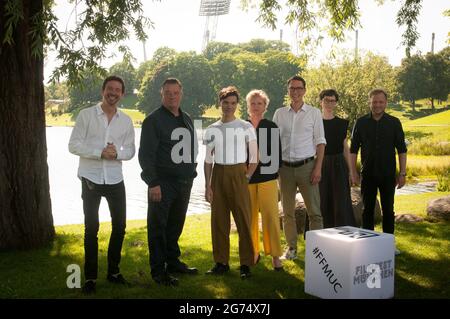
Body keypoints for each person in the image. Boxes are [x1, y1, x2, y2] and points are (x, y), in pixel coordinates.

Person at [68, 75, 135, 294]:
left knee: (120, 227)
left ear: (122, 94)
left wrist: (117, 153)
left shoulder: (126, 120)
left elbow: (131, 150)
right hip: (91, 179)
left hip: (116, 179)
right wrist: (99, 153)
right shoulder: (86, 115)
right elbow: (73, 145)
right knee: (92, 229)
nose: (113, 93)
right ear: (102, 90)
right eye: (109, 89)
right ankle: (90, 278)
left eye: (117, 90)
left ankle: (113, 272)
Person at [139, 78, 198, 286]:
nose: (172, 96)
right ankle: (158, 271)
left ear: (181, 93)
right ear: (161, 94)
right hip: (162, 183)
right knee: (158, 228)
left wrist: (193, 171)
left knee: (175, 225)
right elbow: (146, 156)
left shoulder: (187, 118)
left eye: (175, 92)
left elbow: (191, 148)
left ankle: (172, 262)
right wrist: (152, 182)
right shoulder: (153, 120)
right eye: (168, 92)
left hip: (184, 182)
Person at [204, 86, 258, 279]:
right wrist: (207, 185)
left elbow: (254, 157)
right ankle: (221, 262)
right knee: (219, 221)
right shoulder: (212, 129)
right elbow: (208, 160)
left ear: (237, 104)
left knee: (243, 220)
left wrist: (246, 177)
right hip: (218, 173)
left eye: (233, 103)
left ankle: (245, 264)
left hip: (238, 174)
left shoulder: (245, 126)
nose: (229, 106)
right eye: (226, 103)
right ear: (220, 103)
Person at [273, 75, 326, 260]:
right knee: (287, 212)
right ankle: (292, 249)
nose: (295, 92)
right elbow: (273, 143)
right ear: (288, 91)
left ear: (304, 90)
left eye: (298, 88)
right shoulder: (279, 114)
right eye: (292, 88)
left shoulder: (314, 113)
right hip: (285, 170)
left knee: (315, 212)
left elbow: (320, 143)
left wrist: (318, 169)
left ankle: (316, 251)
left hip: (307, 167)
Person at [350, 88, 407, 255]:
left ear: (386, 103)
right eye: (375, 102)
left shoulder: (394, 122)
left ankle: (388, 244)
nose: (377, 105)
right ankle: (369, 244)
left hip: (389, 174)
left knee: (388, 210)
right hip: (367, 174)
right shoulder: (360, 123)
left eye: (381, 102)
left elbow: (402, 150)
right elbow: (353, 150)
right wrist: (353, 172)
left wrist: (402, 173)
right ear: (370, 102)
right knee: (367, 210)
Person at [245, 89, 283, 271]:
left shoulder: (271, 126)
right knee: (249, 217)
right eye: (253, 103)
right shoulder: (241, 126)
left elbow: (277, 154)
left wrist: (276, 176)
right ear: (248, 106)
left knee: (270, 216)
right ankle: (253, 252)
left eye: (260, 103)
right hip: (247, 178)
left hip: (268, 178)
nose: (256, 106)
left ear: (265, 106)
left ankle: (276, 255)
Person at [319, 89, 356, 228]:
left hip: (339, 163)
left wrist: (351, 171)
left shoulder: (342, 123)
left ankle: (344, 231)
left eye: (332, 100)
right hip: (320, 163)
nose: (329, 103)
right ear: (321, 101)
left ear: (336, 103)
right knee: (322, 199)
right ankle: (321, 233)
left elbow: (345, 147)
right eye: (326, 100)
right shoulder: (315, 122)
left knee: (341, 200)